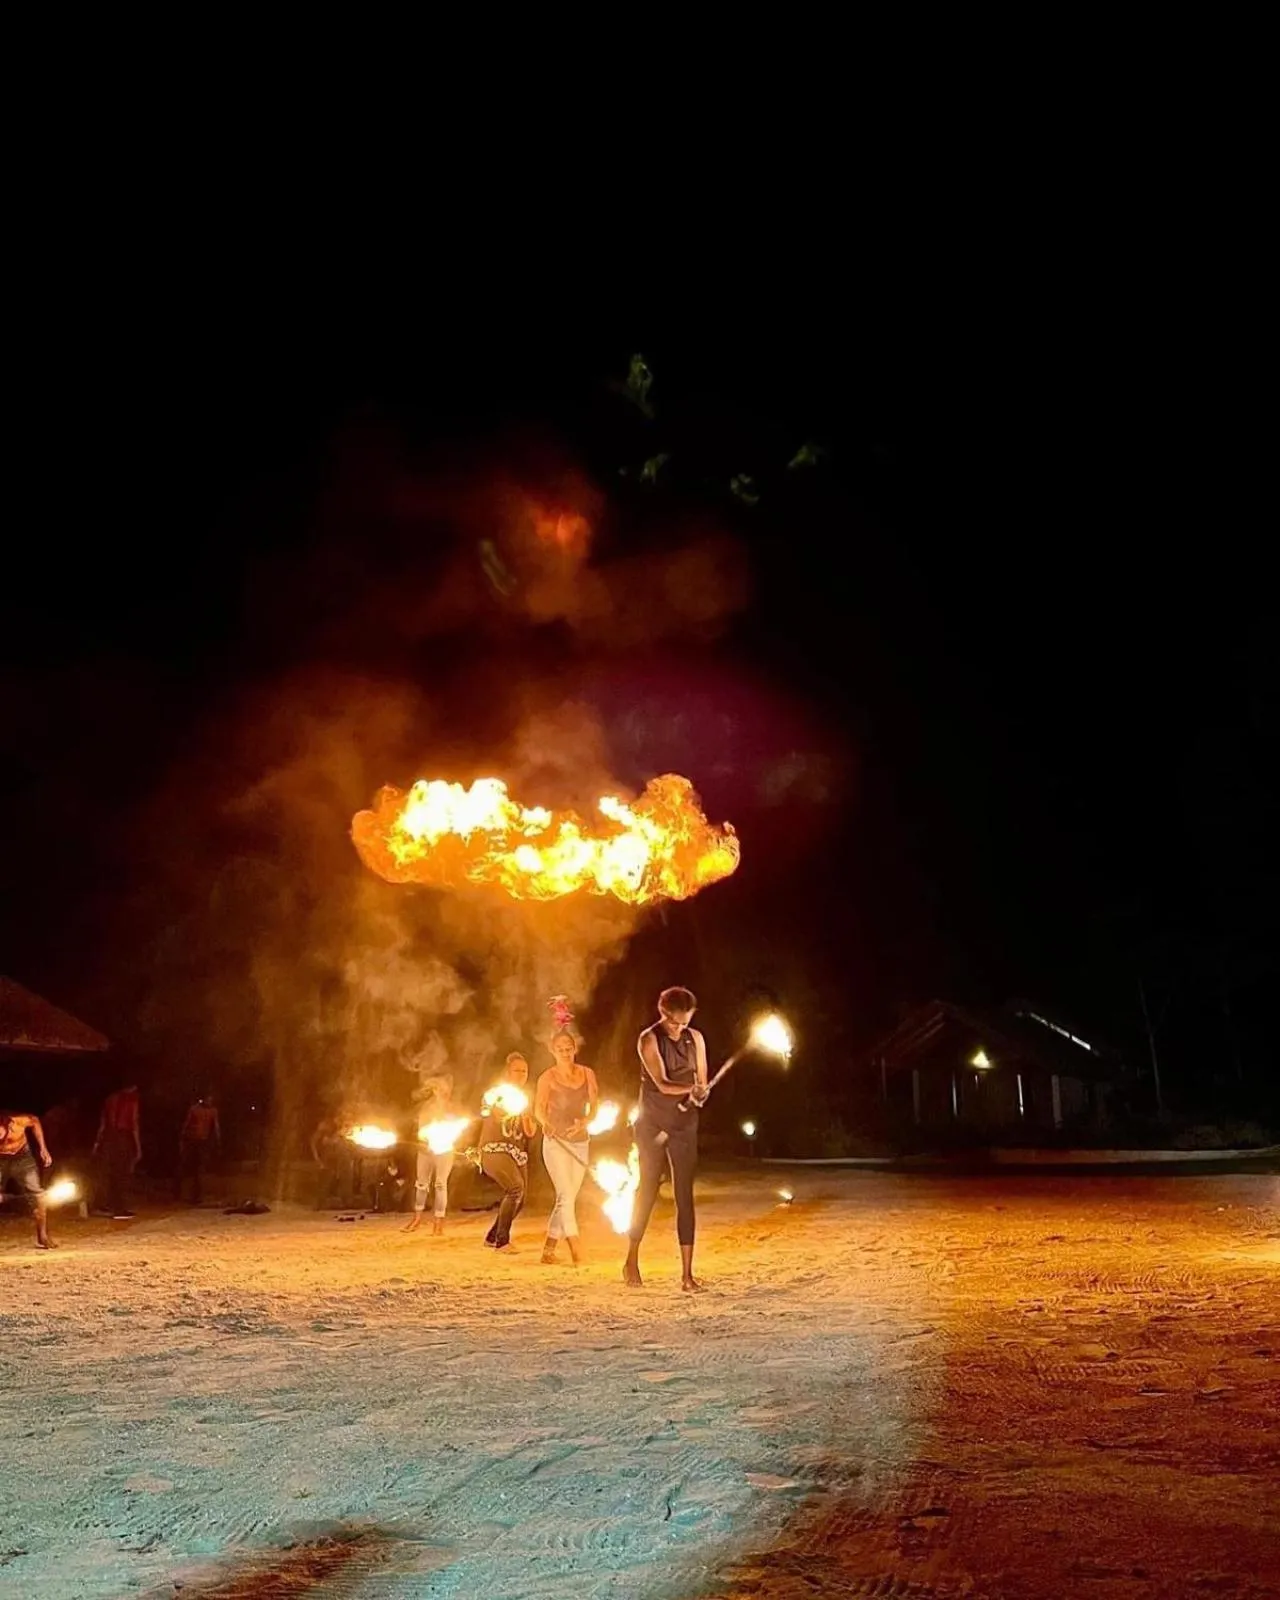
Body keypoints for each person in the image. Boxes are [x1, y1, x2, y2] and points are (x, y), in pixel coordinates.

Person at [624, 986, 709, 1292]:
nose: (680, 1028)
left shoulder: (695, 1038)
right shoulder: (648, 1039)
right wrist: (690, 1090)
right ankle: (631, 1258)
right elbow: (660, 1083)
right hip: (653, 1123)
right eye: (674, 1022)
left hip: (684, 1124)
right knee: (647, 1188)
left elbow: (701, 1080)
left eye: (685, 1022)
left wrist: (700, 1093)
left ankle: (687, 1274)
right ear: (663, 1014)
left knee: (684, 1194)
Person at [534, 1031, 599, 1265]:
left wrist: (586, 1120)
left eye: (568, 1047)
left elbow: (595, 1105)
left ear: (574, 1048)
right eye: (560, 1048)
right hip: (556, 1143)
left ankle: (548, 1250)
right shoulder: (546, 1078)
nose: (564, 1051)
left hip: (580, 1141)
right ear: (553, 1051)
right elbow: (538, 1109)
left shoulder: (587, 1074)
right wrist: (546, 1124)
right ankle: (575, 1246)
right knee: (565, 1194)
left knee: (568, 1196)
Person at [478, 1052, 537, 1253]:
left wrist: (527, 1114)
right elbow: (491, 1113)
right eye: (517, 1070)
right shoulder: (496, 1093)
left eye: (524, 1071)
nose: (521, 1074)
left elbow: (530, 1131)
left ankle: (492, 1236)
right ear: (507, 1072)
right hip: (495, 1149)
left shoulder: (526, 1098)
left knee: (521, 1199)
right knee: (515, 1188)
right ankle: (502, 1242)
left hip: (517, 1152)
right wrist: (506, 1108)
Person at [404, 1074, 462, 1236]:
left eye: (445, 1089)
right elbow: (421, 1130)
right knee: (421, 1184)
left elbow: (456, 1130)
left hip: (444, 1150)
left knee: (440, 1184)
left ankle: (438, 1223)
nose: (443, 1092)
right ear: (434, 1090)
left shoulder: (452, 1108)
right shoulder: (426, 1108)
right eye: (439, 1088)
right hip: (425, 1150)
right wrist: (425, 1138)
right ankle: (417, 1219)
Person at [0, 1108, 55, 1249]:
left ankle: (43, 1237)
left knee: (38, 1195)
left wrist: (43, 1148)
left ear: (8, 1126)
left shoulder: (19, 1121)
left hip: (22, 1157)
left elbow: (35, 1121)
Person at [93, 1084, 142, 1220]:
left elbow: (103, 1124)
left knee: (107, 1173)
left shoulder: (110, 1098)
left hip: (108, 1137)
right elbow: (134, 1123)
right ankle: (119, 1209)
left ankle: (102, 1205)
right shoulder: (132, 1100)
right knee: (121, 1173)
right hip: (123, 1137)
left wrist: (97, 1143)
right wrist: (137, 1147)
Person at [178, 1093, 221, 1205]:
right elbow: (187, 1123)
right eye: (208, 1099)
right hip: (192, 1140)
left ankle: (196, 1195)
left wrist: (217, 1140)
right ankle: (181, 1191)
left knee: (199, 1168)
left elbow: (215, 1126)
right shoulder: (195, 1109)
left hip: (202, 1141)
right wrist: (183, 1138)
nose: (209, 1101)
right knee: (188, 1167)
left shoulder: (212, 1111)